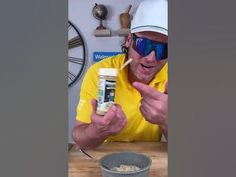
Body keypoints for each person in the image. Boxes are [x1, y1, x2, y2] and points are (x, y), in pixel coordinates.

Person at [72, 0, 168, 149]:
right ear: (129, 40)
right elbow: (80, 140)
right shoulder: (100, 73)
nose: (151, 58)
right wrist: (98, 130)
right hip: (106, 160)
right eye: (144, 44)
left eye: (164, 49)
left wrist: (166, 121)